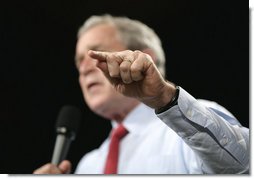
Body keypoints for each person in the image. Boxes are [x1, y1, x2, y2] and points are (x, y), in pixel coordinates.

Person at [33, 14, 249, 174]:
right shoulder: (88, 165)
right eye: (79, 60)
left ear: (145, 59)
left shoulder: (194, 121)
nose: (84, 68)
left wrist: (165, 98)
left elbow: (245, 164)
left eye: (95, 53)